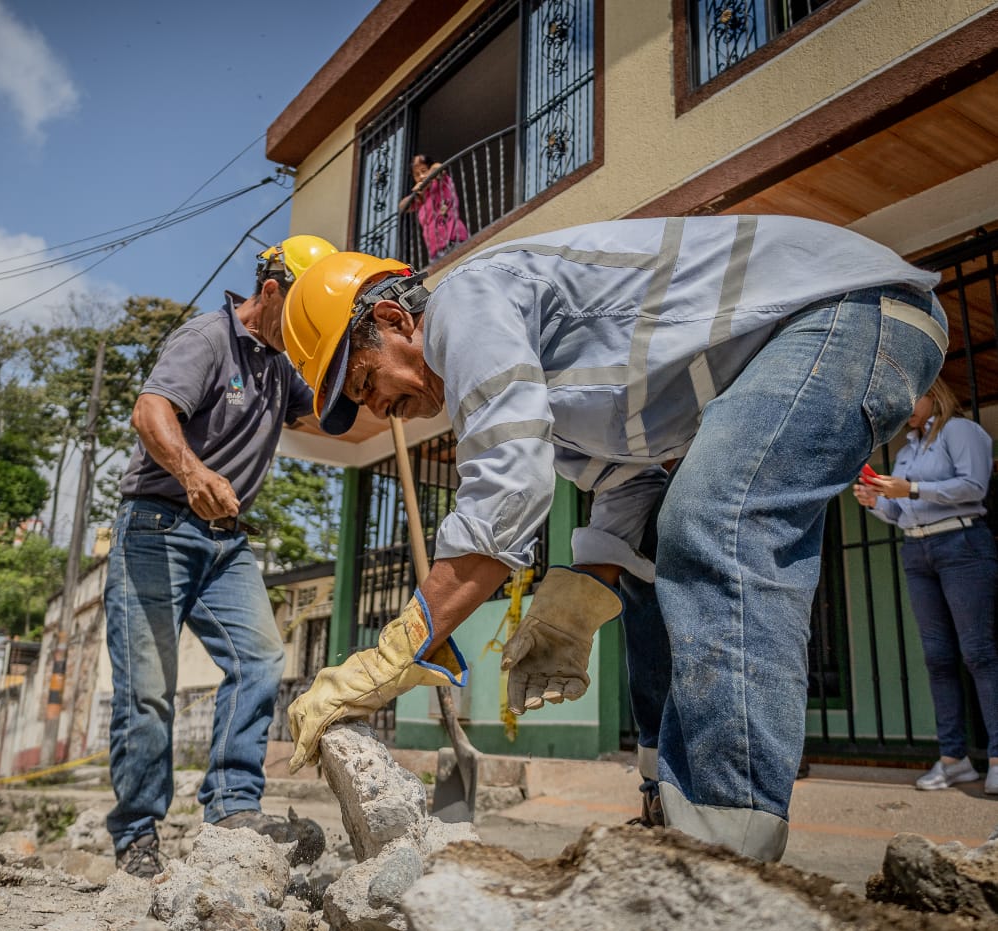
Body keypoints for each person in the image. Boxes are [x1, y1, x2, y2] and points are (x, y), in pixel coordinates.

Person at [280, 215, 948, 862]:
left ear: (395, 320)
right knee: (653, 553)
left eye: (364, 382)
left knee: (715, 520)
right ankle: (666, 810)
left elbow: (508, 485)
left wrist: (397, 652)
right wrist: (573, 608)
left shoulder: (464, 304)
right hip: (813, 334)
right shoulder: (542, 382)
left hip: (851, 312)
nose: (376, 408)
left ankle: (725, 845)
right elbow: (628, 489)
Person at [104, 234, 336, 878]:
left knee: (260, 659)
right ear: (271, 291)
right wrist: (192, 472)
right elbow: (151, 411)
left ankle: (233, 808)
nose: (311, 328)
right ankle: (137, 838)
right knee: (148, 691)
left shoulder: (281, 364)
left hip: (225, 541)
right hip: (156, 527)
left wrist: (389, 381)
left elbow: (326, 414)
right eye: (307, 312)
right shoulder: (209, 339)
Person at [853, 378, 998, 794]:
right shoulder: (906, 451)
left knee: (979, 653)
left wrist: (912, 488)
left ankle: (996, 757)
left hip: (961, 543)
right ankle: (954, 760)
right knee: (937, 658)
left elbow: (974, 486)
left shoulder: (961, 431)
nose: (904, 407)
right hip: (917, 550)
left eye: (910, 397)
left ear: (934, 392)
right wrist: (877, 502)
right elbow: (901, 513)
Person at [399, 154, 469, 263]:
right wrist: (415, 194)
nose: (421, 176)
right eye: (417, 175)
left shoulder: (441, 181)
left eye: (424, 171)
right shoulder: (421, 197)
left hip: (454, 240)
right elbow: (402, 207)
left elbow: (438, 167)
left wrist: (426, 182)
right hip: (435, 252)